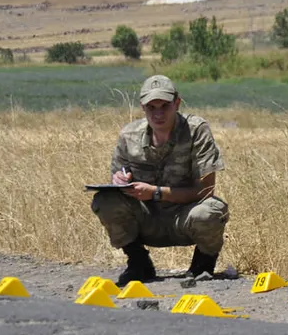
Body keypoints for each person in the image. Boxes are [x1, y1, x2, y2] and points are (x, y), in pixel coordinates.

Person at [91, 75, 229, 287]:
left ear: (177, 103)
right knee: (105, 200)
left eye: (164, 106)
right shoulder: (129, 135)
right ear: (142, 107)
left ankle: (202, 266)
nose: (158, 113)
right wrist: (120, 180)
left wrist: (155, 192)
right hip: (146, 219)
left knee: (211, 210)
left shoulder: (196, 130)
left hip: (184, 217)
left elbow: (206, 189)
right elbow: (118, 175)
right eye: (151, 107)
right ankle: (138, 263)